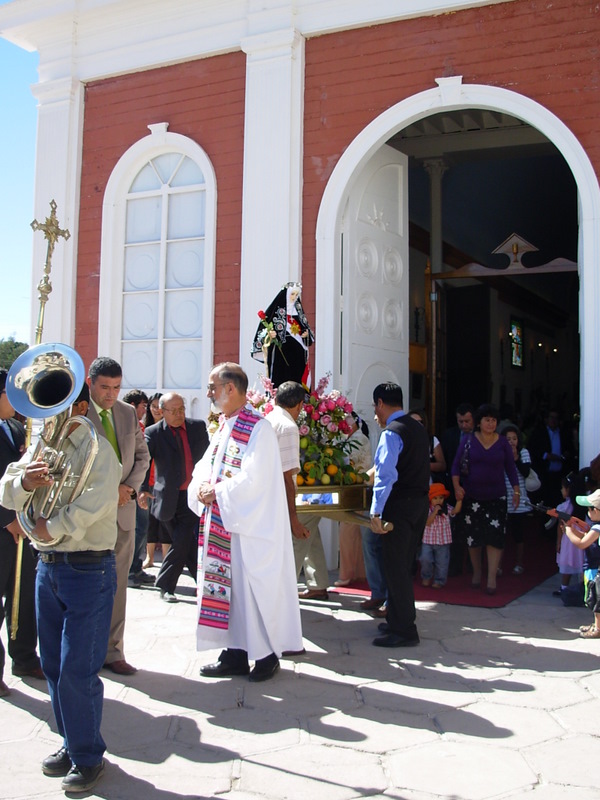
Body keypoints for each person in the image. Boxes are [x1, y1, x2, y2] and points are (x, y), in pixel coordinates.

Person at [0, 384, 121, 793]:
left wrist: (50, 526)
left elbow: (97, 502)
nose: (43, 416)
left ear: (80, 407)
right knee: (52, 664)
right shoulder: (40, 448)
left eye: (53, 408)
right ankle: (72, 744)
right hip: (47, 566)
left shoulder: (98, 450)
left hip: (88, 568)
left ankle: (88, 757)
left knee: (76, 668)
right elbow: (5, 489)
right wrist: (26, 486)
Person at [188, 363, 303, 681]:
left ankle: (266, 656)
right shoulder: (226, 425)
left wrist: (218, 491)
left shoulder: (258, 428)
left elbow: (257, 479)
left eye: (213, 387)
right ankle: (235, 654)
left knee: (251, 593)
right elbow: (207, 464)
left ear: (230, 389)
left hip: (249, 530)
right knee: (230, 592)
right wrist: (200, 486)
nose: (209, 393)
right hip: (225, 523)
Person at [86, 357, 150, 676]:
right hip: (87, 519)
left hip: (124, 515)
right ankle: (86, 652)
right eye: (105, 388)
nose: (111, 395)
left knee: (118, 585)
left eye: (116, 388)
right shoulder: (77, 414)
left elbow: (142, 455)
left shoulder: (126, 413)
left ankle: (114, 651)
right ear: (90, 383)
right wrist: (111, 492)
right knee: (87, 587)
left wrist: (129, 487)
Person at [369, 382, 430, 647]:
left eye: (376, 407)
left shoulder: (391, 433)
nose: (376, 414)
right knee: (404, 564)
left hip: (399, 507)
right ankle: (396, 619)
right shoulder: (417, 427)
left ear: (381, 403)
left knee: (396, 568)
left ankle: (405, 629)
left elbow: (385, 475)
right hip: (418, 504)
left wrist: (375, 511)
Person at [140, 392, 208, 602]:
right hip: (167, 496)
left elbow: (208, 459)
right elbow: (144, 462)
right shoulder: (154, 433)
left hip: (191, 495)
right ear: (162, 412)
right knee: (183, 542)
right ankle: (203, 584)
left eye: (182, 409)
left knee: (182, 538)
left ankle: (166, 585)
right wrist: (142, 489)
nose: (179, 414)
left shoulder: (197, 427)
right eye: (174, 411)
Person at [0, 369, 44, 698]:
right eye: (8, 394)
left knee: (24, 597)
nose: (14, 402)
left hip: (22, 530)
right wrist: (8, 519)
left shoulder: (16, 427)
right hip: (5, 528)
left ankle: (25, 656)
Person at [452, 404, 520, 595]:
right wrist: (457, 487)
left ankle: (491, 578)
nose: (490, 423)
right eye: (487, 420)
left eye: (493, 420)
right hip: (472, 496)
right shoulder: (468, 440)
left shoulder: (503, 443)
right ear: (479, 422)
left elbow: (510, 468)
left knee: (494, 537)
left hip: (496, 497)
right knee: (474, 538)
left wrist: (516, 490)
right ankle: (477, 572)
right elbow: (456, 466)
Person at [251, 282, 315, 389]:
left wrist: (306, 335)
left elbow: (308, 334)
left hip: (297, 354)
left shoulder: (298, 314)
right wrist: (270, 335)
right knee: (280, 381)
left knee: (297, 381)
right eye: (292, 294)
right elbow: (263, 333)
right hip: (281, 355)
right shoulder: (275, 313)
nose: (294, 297)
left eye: (296, 295)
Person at [122, 389, 153, 589]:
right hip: (130, 487)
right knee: (134, 530)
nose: (145, 410)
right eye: (143, 406)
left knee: (142, 530)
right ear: (133, 405)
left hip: (141, 483)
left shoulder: (140, 426)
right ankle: (129, 571)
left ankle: (137, 567)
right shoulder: (124, 426)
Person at [336, 412, 370, 587]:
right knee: (353, 530)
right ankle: (358, 572)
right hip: (354, 487)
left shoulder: (359, 439)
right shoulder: (351, 438)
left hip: (355, 486)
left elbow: (350, 461)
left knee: (348, 530)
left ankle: (347, 574)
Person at [564, 490, 600, 639]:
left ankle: (598, 628)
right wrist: (574, 529)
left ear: (597, 510)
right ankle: (596, 624)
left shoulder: (598, 528)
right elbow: (586, 536)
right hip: (594, 567)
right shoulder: (595, 528)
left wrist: (568, 531)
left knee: (597, 599)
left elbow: (582, 543)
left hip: (596, 569)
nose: (588, 511)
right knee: (594, 598)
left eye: (590, 508)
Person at [502, 425, 537, 575]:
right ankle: (498, 565)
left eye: (514, 438)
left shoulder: (524, 453)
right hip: (503, 497)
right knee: (501, 534)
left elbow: (525, 471)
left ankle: (519, 563)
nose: (511, 442)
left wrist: (515, 458)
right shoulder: (499, 452)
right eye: (508, 439)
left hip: (520, 499)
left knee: (518, 533)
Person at [142, 393, 171, 569]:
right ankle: (150, 558)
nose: (156, 410)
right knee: (150, 522)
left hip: (164, 481)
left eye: (159, 406)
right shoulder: (145, 429)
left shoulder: (170, 429)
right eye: (152, 406)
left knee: (165, 522)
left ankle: (167, 559)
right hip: (149, 481)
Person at [420, 482, 462, 589]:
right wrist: (434, 512)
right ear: (430, 499)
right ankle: (426, 576)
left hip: (443, 541)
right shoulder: (427, 510)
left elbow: (455, 511)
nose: (438, 501)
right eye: (435, 498)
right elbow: (427, 522)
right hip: (428, 541)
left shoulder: (447, 508)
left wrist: (459, 500)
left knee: (442, 563)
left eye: (441, 498)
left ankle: (439, 580)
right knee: (425, 559)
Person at [528, 409, 572, 508]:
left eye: (556, 418)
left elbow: (571, 449)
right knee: (544, 501)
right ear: (546, 419)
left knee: (557, 500)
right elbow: (532, 448)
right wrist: (546, 455)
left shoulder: (564, 433)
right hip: (544, 473)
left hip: (559, 475)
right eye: (551, 417)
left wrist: (566, 454)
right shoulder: (539, 432)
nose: (553, 420)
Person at [555, 476, 584, 595]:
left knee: (568, 562)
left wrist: (558, 542)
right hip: (581, 539)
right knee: (581, 561)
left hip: (568, 540)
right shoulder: (582, 506)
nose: (561, 490)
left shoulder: (564, 507)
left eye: (563, 488)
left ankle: (564, 587)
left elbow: (559, 527)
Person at [409, 408, 446, 483]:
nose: (416, 425)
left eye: (420, 422)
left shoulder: (432, 440)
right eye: (413, 422)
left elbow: (442, 465)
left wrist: (424, 465)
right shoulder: (401, 441)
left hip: (428, 485)